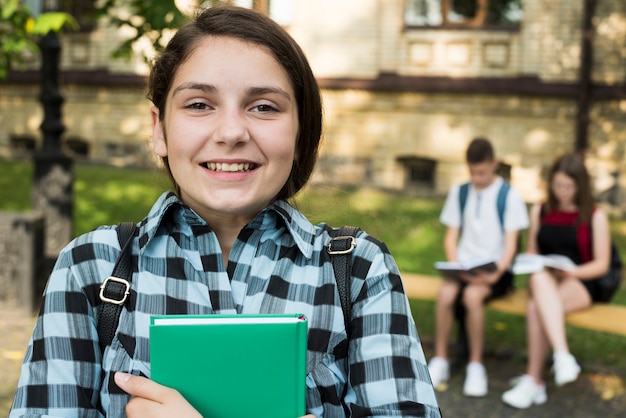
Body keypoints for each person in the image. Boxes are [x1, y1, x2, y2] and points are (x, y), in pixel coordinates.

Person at [9, 5, 441, 418]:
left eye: (264, 107)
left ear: (300, 130)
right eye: (199, 104)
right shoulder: (91, 270)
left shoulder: (359, 272)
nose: (232, 132)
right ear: (158, 129)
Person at [501, 152, 611, 409]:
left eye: (569, 186)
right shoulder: (541, 210)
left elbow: (602, 264)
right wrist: (540, 263)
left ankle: (534, 380)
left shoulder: (595, 215)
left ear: (580, 186)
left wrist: (571, 272)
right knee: (539, 279)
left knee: (534, 307)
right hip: (545, 279)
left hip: (581, 280)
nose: (563, 191)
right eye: (558, 185)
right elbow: (531, 251)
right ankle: (562, 357)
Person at [427, 138, 529, 397]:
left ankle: (475, 365)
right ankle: (440, 359)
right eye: (472, 171)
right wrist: (456, 263)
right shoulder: (460, 192)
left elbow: (511, 246)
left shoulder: (509, 195)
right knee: (446, 294)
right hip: (464, 266)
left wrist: (493, 275)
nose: (477, 177)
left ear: (494, 164)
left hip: (497, 270)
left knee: (473, 297)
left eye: (482, 172)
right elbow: (451, 237)